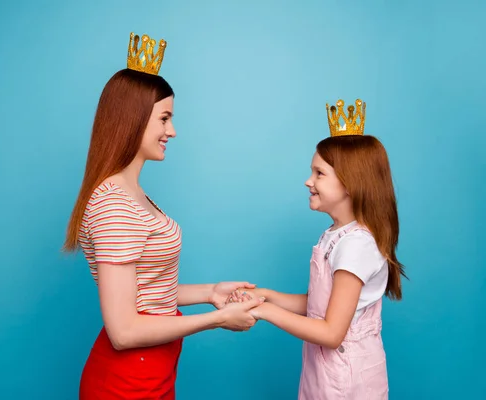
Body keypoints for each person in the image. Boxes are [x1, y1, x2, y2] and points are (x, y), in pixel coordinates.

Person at [63, 32, 265, 400]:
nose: (172, 131)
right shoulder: (114, 205)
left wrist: (209, 293)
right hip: (125, 382)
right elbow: (123, 331)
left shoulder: (132, 194)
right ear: (134, 119)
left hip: (153, 371)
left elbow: (146, 294)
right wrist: (219, 319)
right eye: (165, 118)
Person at [229, 99, 406, 399]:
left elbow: (331, 333)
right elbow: (321, 306)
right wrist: (266, 295)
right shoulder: (336, 235)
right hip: (325, 372)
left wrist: (264, 310)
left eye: (319, 173)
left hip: (347, 381)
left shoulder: (356, 246)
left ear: (350, 184)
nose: (308, 181)